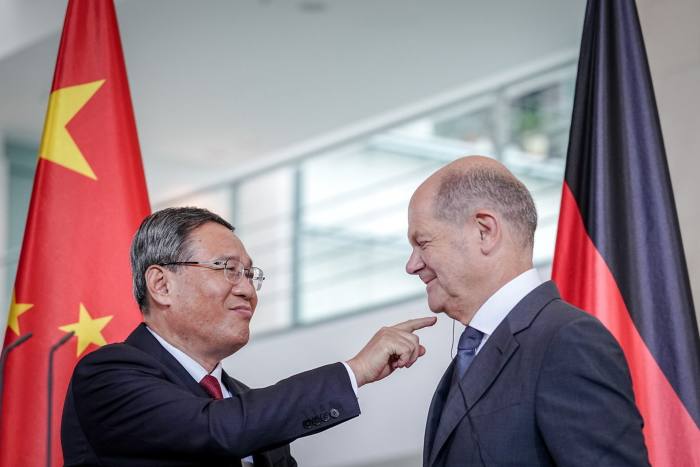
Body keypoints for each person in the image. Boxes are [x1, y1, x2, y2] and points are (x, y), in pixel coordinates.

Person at [61, 207, 436, 467]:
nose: (247, 290)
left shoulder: (240, 398)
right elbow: (215, 429)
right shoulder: (107, 375)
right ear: (161, 285)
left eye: (250, 274)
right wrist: (353, 371)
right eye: (227, 269)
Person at [406, 156, 649, 466]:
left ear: (484, 230)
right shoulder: (468, 359)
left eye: (422, 242)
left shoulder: (567, 342)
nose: (411, 265)